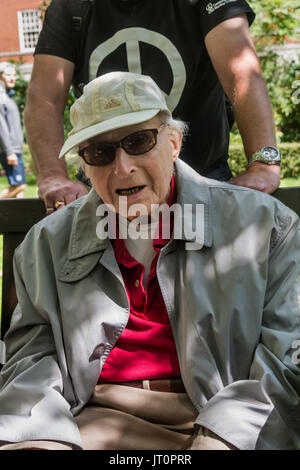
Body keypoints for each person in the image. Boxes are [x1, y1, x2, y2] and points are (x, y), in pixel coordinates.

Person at [0, 72, 299, 451]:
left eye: (138, 141)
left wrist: (224, 438)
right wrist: (39, 436)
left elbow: (285, 361)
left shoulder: (265, 227)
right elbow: (30, 361)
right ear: (85, 166)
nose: (122, 167)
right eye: (100, 152)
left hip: (218, 416)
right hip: (90, 418)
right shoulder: (46, 245)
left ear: (173, 143)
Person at [24, 0, 280, 213]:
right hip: (110, 194)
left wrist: (263, 164)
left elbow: (242, 73)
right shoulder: (70, 7)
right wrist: (53, 177)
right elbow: (44, 100)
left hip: (204, 184)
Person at [0, 62, 26, 198]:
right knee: (20, 185)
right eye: (8, 75)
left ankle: (20, 219)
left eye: (14, 75)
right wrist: (10, 152)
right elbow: (1, 126)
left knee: (19, 189)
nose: (12, 78)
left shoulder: (8, 96)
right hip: (10, 150)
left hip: (15, 149)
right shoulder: (1, 97)